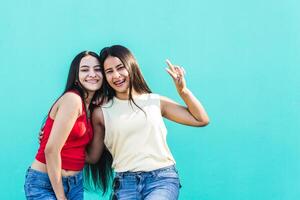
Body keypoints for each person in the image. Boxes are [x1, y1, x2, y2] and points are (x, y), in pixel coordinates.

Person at [91, 45, 210, 200]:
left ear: (131, 67)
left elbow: (201, 119)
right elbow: (93, 156)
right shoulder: (101, 112)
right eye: (109, 71)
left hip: (162, 179)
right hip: (124, 183)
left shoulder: (154, 101)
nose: (116, 75)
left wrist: (183, 91)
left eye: (120, 68)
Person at [24, 51, 112, 200]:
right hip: (46, 184)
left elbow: (91, 157)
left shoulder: (90, 109)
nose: (92, 74)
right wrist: (61, 196)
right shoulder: (73, 100)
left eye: (97, 69)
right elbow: (51, 150)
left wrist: (105, 120)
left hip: (75, 184)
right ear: (76, 78)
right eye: (85, 70)